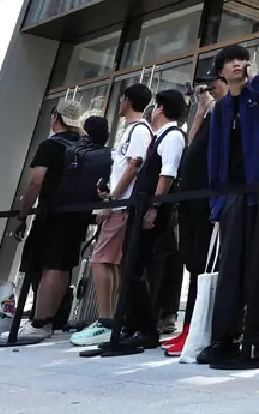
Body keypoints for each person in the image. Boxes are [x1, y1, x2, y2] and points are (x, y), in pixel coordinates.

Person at [201, 44, 259, 366]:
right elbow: (214, 158)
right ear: (222, 71)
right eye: (231, 61)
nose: (238, 64)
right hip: (233, 196)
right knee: (230, 268)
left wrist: (256, 80)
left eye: (243, 60)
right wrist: (217, 202)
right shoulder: (221, 109)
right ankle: (222, 339)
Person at [12, 99, 106, 337]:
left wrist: (23, 215)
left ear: (56, 118)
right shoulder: (87, 146)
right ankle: (52, 318)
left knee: (49, 266)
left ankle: (39, 322)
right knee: (63, 266)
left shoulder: (51, 146)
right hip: (79, 213)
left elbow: (36, 181)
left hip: (53, 210)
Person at [70, 83, 153, 347]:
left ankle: (106, 320)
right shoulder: (131, 130)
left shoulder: (140, 130)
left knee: (100, 259)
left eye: (122, 100)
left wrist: (113, 200)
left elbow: (134, 165)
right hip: (118, 202)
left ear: (127, 101)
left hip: (122, 206)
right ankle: (111, 317)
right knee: (109, 261)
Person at [107, 88, 186, 351]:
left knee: (138, 267)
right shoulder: (158, 136)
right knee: (131, 265)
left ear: (161, 109)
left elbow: (167, 175)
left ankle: (146, 328)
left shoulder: (173, 137)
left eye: (155, 106)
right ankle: (131, 323)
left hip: (153, 211)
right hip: (141, 206)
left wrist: (153, 208)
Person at [165, 77, 223, 356]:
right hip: (190, 199)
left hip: (206, 200)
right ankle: (189, 326)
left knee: (202, 265)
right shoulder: (209, 115)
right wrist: (201, 108)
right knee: (193, 263)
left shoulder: (227, 112)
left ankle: (197, 327)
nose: (208, 91)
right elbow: (193, 142)